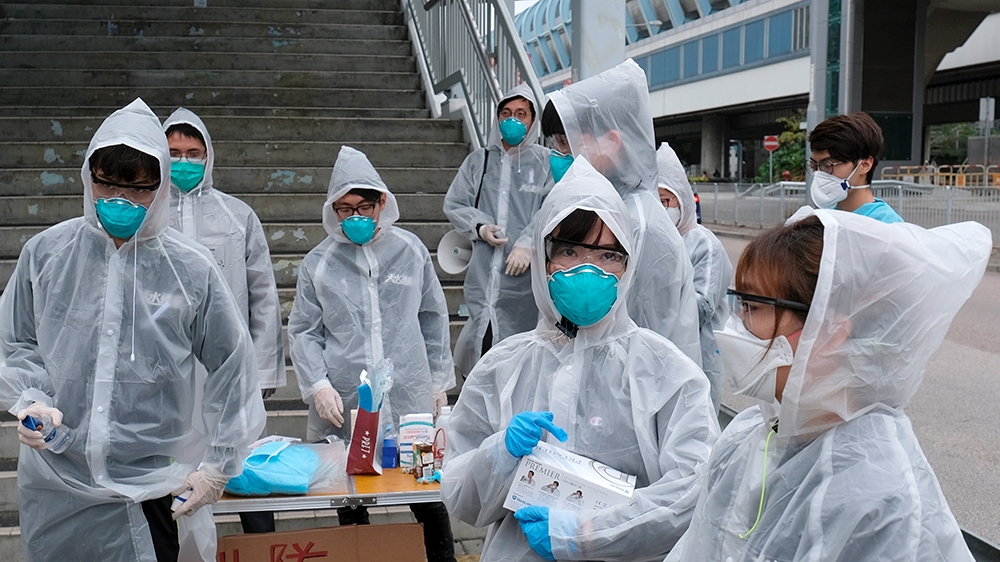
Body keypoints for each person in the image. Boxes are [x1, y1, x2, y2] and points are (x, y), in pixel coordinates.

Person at [0, 98, 265, 562]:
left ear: (160, 188)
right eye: (107, 184)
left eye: (138, 189)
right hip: (57, 479)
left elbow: (232, 363)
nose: (119, 201)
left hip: (150, 486)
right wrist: (31, 399)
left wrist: (220, 464)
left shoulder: (189, 269)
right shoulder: (47, 255)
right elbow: (15, 339)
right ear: (88, 178)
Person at [666, 207, 989, 561]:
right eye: (739, 304)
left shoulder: (881, 497)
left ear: (831, 330)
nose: (735, 325)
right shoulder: (752, 434)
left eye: (753, 306)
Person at [441, 157, 718, 562]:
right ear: (543, 256)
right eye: (570, 250)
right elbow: (460, 499)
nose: (588, 268)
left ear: (629, 265)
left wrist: (586, 534)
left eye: (609, 255)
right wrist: (499, 454)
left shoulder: (667, 372)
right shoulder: (502, 368)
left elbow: (695, 491)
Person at [287, 146, 457, 562]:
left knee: (426, 491)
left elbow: (433, 318)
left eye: (364, 206)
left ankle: (442, 559)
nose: (355, 217)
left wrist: (437, 383)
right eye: (344, 209)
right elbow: (305, 329)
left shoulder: (411, 250)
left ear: (383, 201)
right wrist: (318, 384)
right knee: (350, 495)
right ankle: (358, 554)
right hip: (347, 400)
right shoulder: (319, 263)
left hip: (409, 395)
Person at [163, 108, 284, 536]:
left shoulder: (238, 216)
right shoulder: (149, 217)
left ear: (209, 156)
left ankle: (260, 545)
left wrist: (262, 368)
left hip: (229, 367)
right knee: (170, 472)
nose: (183, 162)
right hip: (168, 370)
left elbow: (263, 296)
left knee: (240, 462)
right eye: (173, 152)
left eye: (193, 153)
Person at [542, 59, 702, 366]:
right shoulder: (605, 208)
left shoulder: (637, 222)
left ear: (611, 142)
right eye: (555, 144)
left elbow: (642, 338)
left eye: (566, 143)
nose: (558, 155)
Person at [444, 83, 552, 377]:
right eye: (506, 113)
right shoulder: (479, 161)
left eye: (521, 113)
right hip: (483, 272)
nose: (512, 120)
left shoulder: (545, 163)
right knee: (482, 342)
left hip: (525, 280)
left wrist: (528, 242)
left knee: (522, 353)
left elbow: (551, 207)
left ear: (532, 120)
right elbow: (455, 203)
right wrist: (480, 227)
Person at [656, 142, 733, 414]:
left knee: (696, 424)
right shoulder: (650, 241)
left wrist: (659, 298)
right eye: (655, 202)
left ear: (682, 200)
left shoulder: (704, 245)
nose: (661, 209)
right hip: (656, 354)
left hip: (698, 355)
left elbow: (702, 308)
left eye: (666, 201)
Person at [808, 112, 904, 223]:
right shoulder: (824, 218)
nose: (819, 174)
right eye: (814, 166)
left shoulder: (887, 226)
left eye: (827, 165)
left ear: (865, 165)